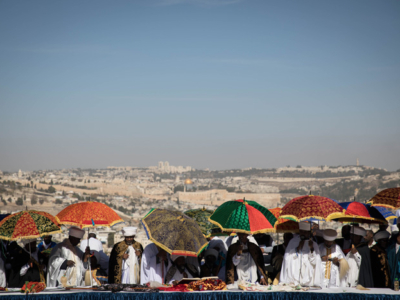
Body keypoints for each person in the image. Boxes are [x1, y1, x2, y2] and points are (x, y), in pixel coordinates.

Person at [280, 221, 321, 287]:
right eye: (301, 232)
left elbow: (315, 262)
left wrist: (311, 248)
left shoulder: (314, 244)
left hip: (308, 277)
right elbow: (287, 257)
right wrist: (297, 248)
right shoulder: (293, 241)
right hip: (295, 276)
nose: (303, 234)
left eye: (305, 232)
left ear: (308, 233)